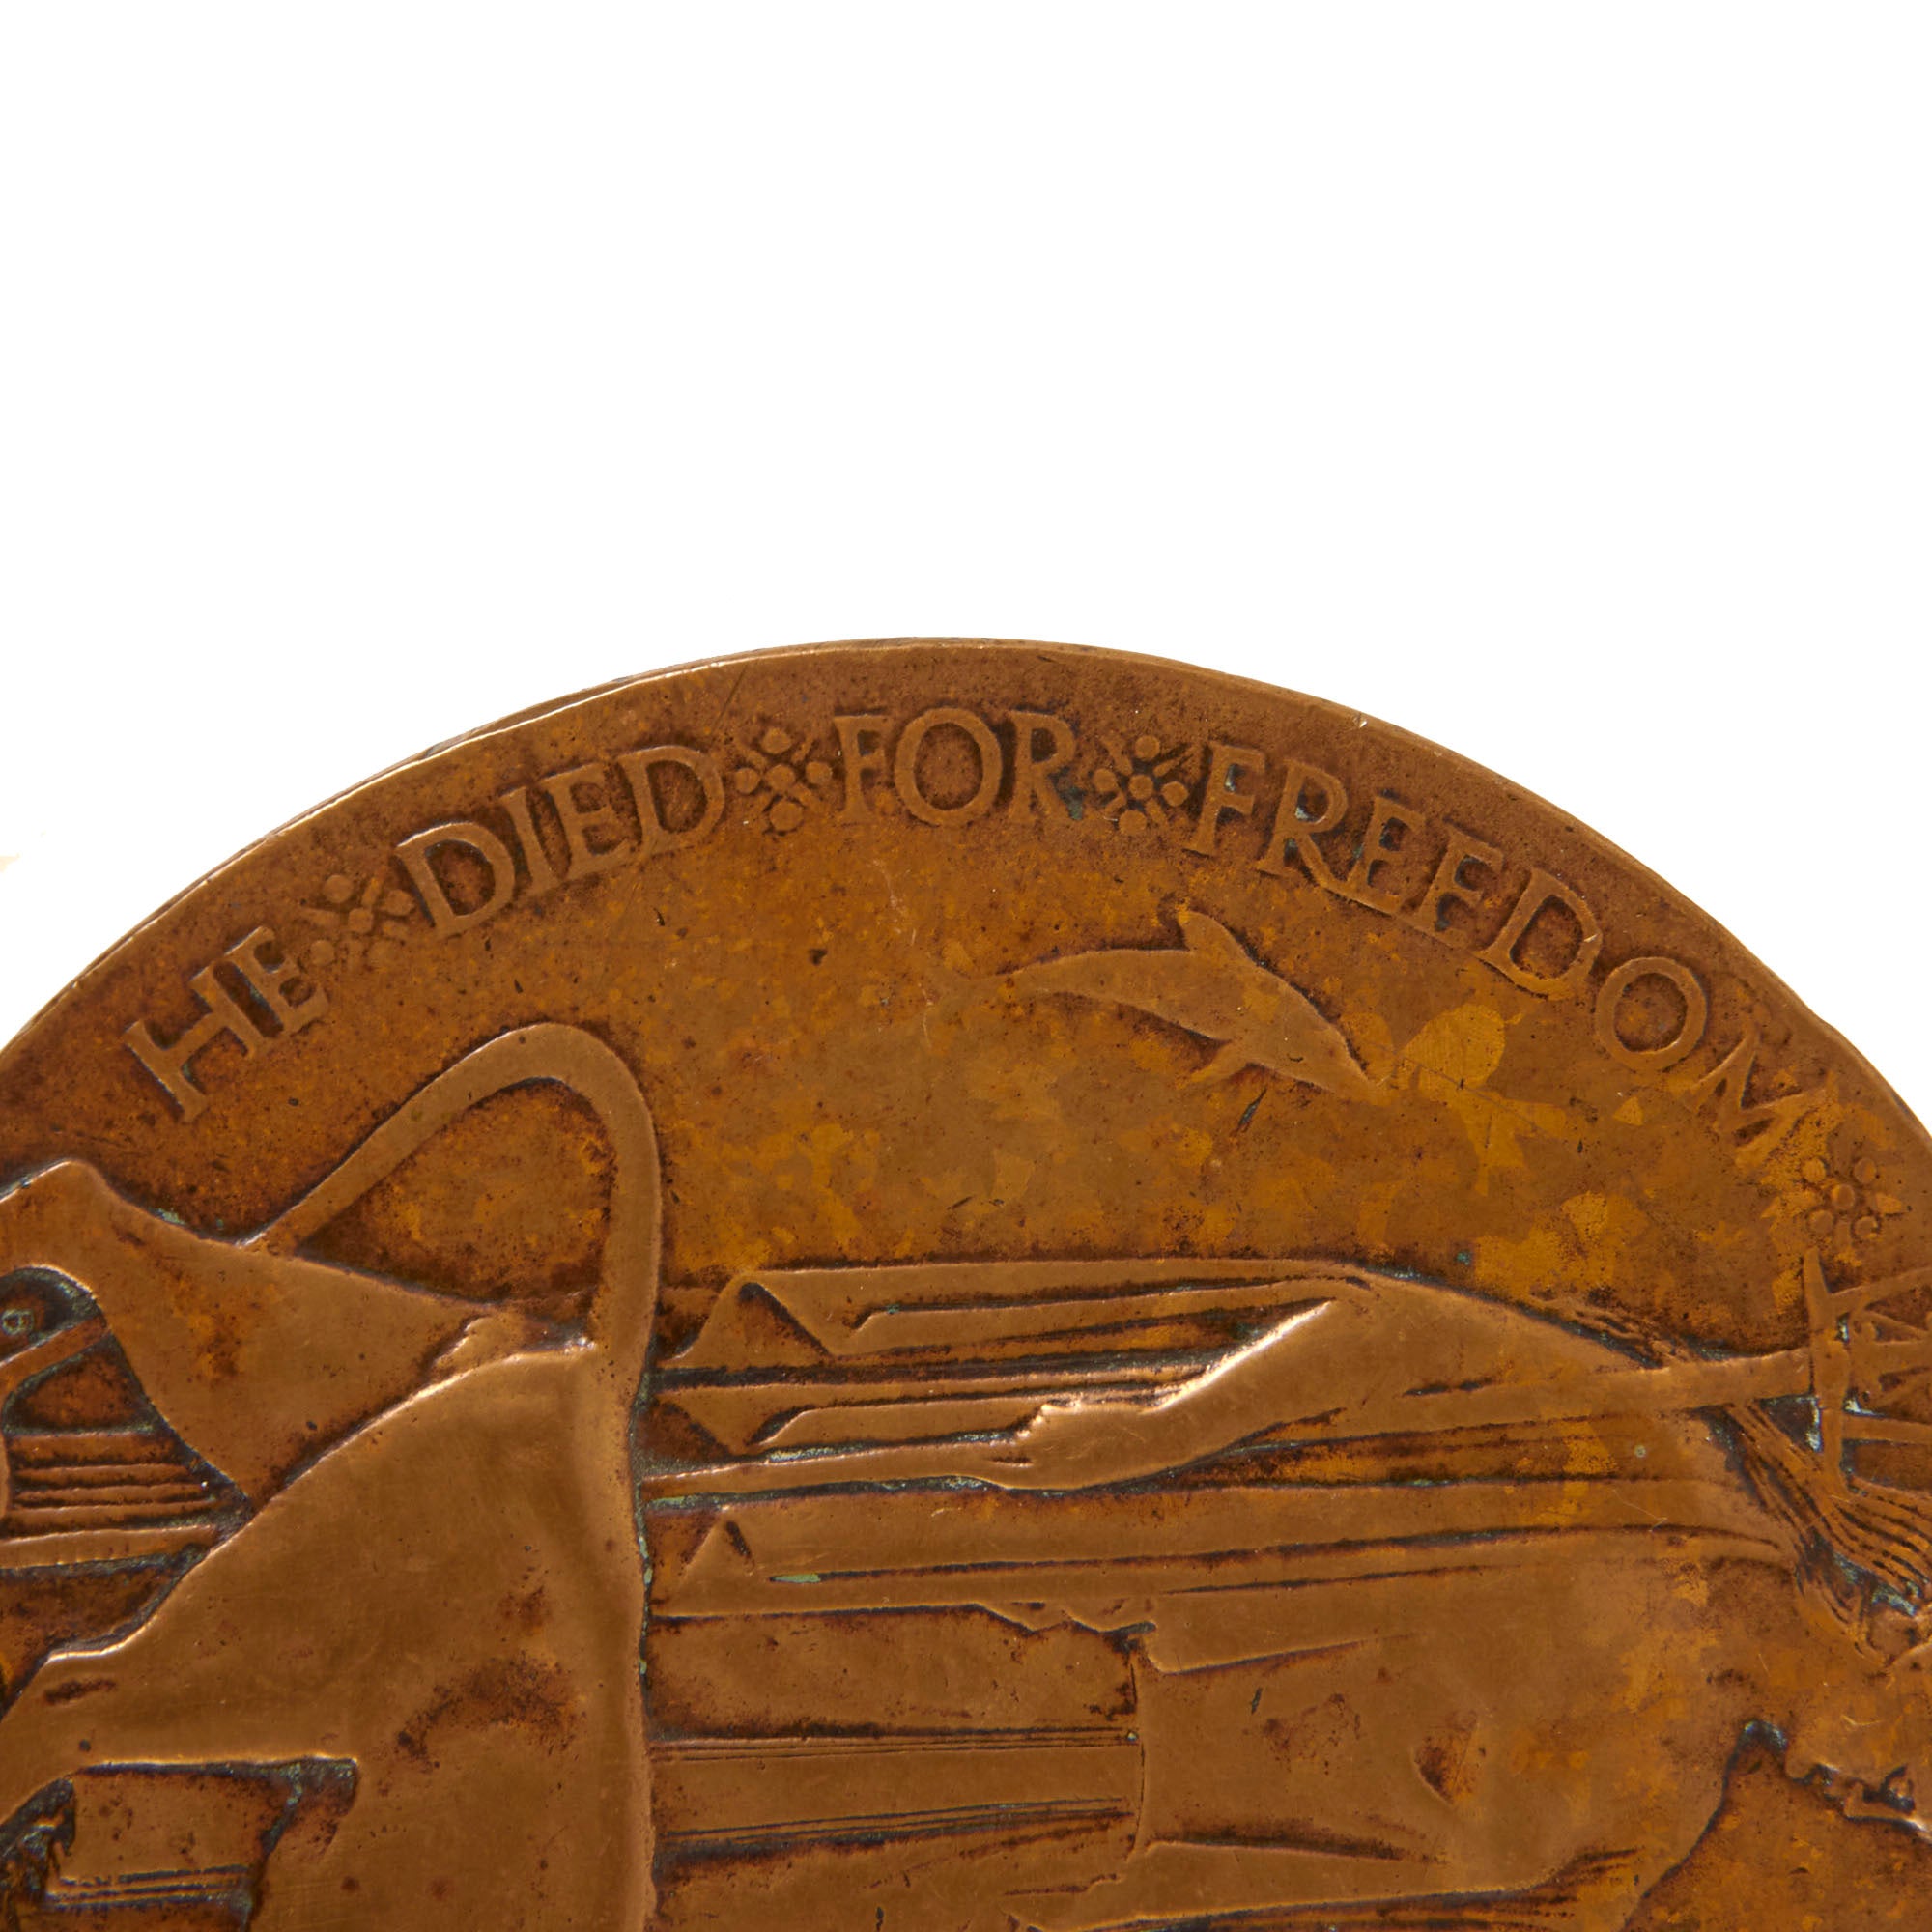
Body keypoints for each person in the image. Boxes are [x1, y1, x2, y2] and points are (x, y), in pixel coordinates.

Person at [0, 1024, 661, 1930]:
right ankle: (91, 1235)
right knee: (73, 1717)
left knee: (526, 1412)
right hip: (486, 1570)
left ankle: (97, 1237)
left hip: (530, 1487)